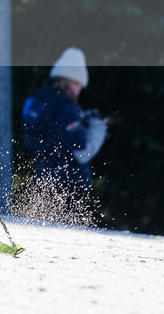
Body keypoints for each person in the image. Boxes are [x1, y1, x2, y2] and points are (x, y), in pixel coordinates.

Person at [21, 47, 109, 220]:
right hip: (70, 184)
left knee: (45, 229)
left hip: (43, 178)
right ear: (70, 80)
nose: (80, 90)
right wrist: (98, 127)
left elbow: (51, 133)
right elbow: (83, 153)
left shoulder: (36, 103)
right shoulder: (67, 109)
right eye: (78, 84)